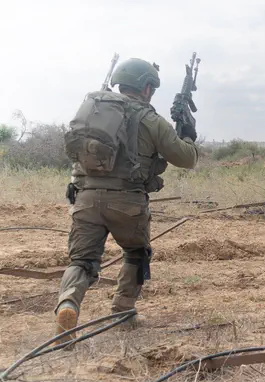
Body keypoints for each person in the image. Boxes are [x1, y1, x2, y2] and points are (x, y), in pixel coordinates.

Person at [54, 58, 199, 342]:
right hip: (127, 204)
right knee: (135, 253)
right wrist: (189, 134)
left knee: (81, 261)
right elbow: (186, 159)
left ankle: (68, 304)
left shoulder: (95, 112)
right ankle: (123, 312)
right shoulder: (150, 120)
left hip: (85, 198)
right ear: (146, 88)